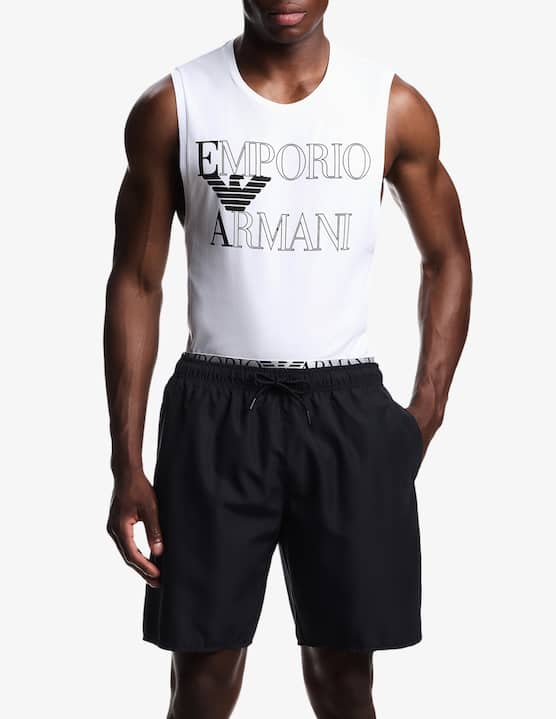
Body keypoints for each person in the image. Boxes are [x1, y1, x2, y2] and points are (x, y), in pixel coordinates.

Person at [103, 1, 472, 716]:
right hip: (215, 411)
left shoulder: (392, 106)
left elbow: (448, 256)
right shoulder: (174, 106)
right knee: (203, 678)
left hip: (346, 412)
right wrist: (126, 461)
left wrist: (426, 410)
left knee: (345, 678)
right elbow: (136, 282)